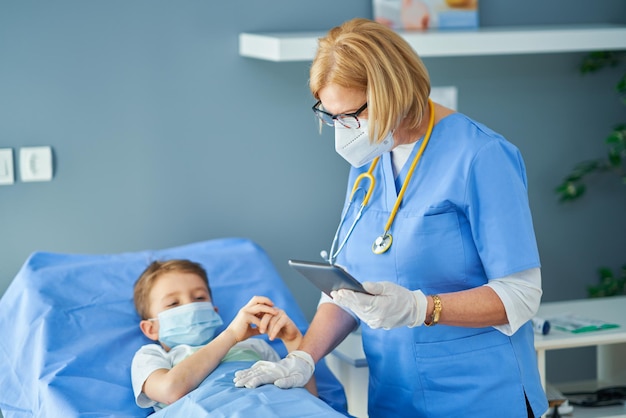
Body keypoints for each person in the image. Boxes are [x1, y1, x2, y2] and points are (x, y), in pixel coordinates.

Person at [233, 17, 549, 418]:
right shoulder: (368, 162)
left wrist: (422, 308)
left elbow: (520, 295)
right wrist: (303, 358)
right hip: (395, 399)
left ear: (393, 93)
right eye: (332, 117)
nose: (344, 131)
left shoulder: (481, 156)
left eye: (352, 115)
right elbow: (345, 284)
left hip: (479, 396)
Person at [131, 259, 317, 411]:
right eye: (173, 303)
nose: (191, 307)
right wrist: (231, 335)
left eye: (199, 298)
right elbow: (170, 391)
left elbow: (308, 401)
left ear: (214, 311)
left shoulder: (255, 347)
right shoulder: (151, 356)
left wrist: (293, 341)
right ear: (150, 329)